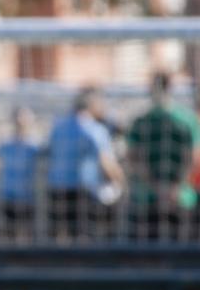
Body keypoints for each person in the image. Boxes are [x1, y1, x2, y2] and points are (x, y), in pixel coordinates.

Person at [45, 87, 125, 241]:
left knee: (60, 238)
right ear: (93, 104)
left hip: (56, 189)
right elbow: (107, 163)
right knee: (84, 238)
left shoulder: (58, 127)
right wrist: (122, 181)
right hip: (82, 192)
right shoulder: (94, 129)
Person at [126, 72, 194, 241]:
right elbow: (192, 159)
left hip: (148, 196)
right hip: (180, 197)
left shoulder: (140, 122)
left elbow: (133, 159)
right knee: (184, 255)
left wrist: (156, 187)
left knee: (147, 256)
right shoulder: (187, 120)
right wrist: (175, 188)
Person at [0, 106, 44, 242]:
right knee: (8, 234)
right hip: (9, 195)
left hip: (27, 196)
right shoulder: (4, 143)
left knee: (27, 234)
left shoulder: (35, 145)